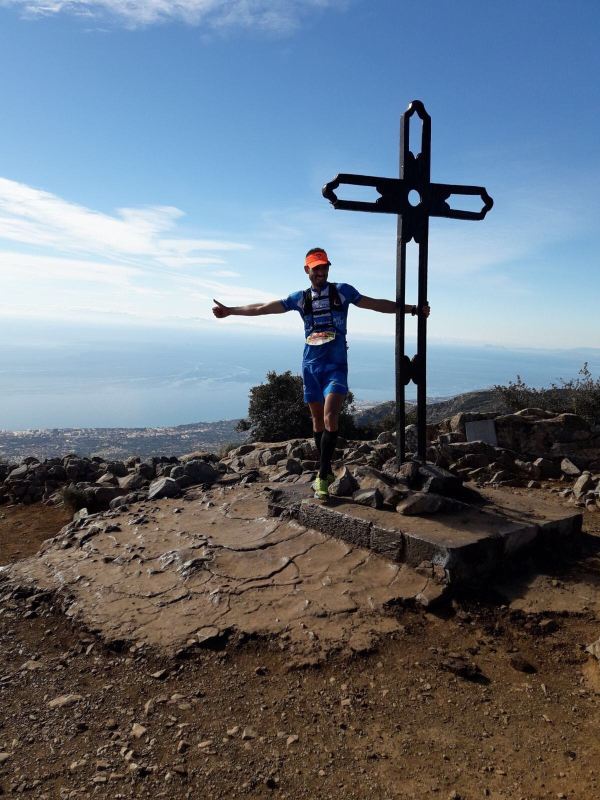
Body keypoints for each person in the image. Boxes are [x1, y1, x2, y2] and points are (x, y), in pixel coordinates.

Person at [212, 247, 430, 499]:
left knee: (330, 418)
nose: (321, 272)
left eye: (324, 267)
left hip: (336, 366)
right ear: (307, 270)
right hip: (310, 366)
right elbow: (263, 307)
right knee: (317, 422)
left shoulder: (343, 291)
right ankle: (325, 471)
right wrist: (231, 310)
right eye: (316, 268)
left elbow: (375, 304)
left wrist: (412, 309)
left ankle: (322, 476)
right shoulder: (300, 298)